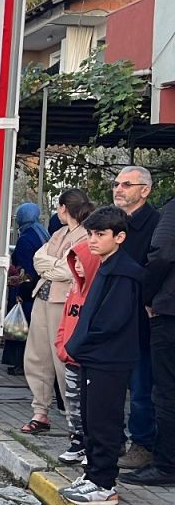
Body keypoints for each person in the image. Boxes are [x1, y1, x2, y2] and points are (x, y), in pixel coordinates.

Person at [60, 206, 145, 505]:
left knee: (104, 421)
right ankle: (93, 473)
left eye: (100, 234)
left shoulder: (124, 273)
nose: (93, 241)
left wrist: (79, 345)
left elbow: (111, 321)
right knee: (90, 418)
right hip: (94, 358)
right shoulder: (105, 266)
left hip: (109, 360)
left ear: (119, 237)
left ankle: (104, 484)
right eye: (91, 234)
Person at [21, 189, 92, 434]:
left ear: (63, 208)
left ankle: (76, 421)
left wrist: (51, 267)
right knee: (37, 357)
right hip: (43, 298)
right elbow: (37, 259)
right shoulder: (59, 233)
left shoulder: (86, 235)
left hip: (65, 303)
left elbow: (69, 270)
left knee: (63, 359)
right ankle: (40, 412)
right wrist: (56, 265)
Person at [123, 182, 175, 486]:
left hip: (168, 313)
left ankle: (166, 464)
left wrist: (148, 296)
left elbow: (162, 253)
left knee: (165, 391)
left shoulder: (169, 210)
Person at [111, 166, 162, 469]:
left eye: (127, 184)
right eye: (116, 183)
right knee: (111, 385)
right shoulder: (113, 221)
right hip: (113, 317)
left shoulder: (155, 224)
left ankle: (143, 444)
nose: (119, 189)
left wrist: (147, 299)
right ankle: (112, 438)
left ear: (145, 190)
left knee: (142, 388)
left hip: (140, 319)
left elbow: (155, 268)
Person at [54, 242, 101, 465]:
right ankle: (77, 441)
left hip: (89, 362)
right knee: (72, 402)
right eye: (75, 263)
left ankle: (90, 444)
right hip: (70, 359)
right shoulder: (73, 292)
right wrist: (61, 346)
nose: (78, 266)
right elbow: (64, 322)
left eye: (82, 262)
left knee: (90, 405)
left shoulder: (97, 295)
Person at [2, 203, 48, 375]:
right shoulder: (42, 233)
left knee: (20, 329)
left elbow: (25, 268)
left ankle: (19, 363)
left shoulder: (25, 238)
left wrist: (20, 291)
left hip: (26, 289)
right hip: (39, 288)